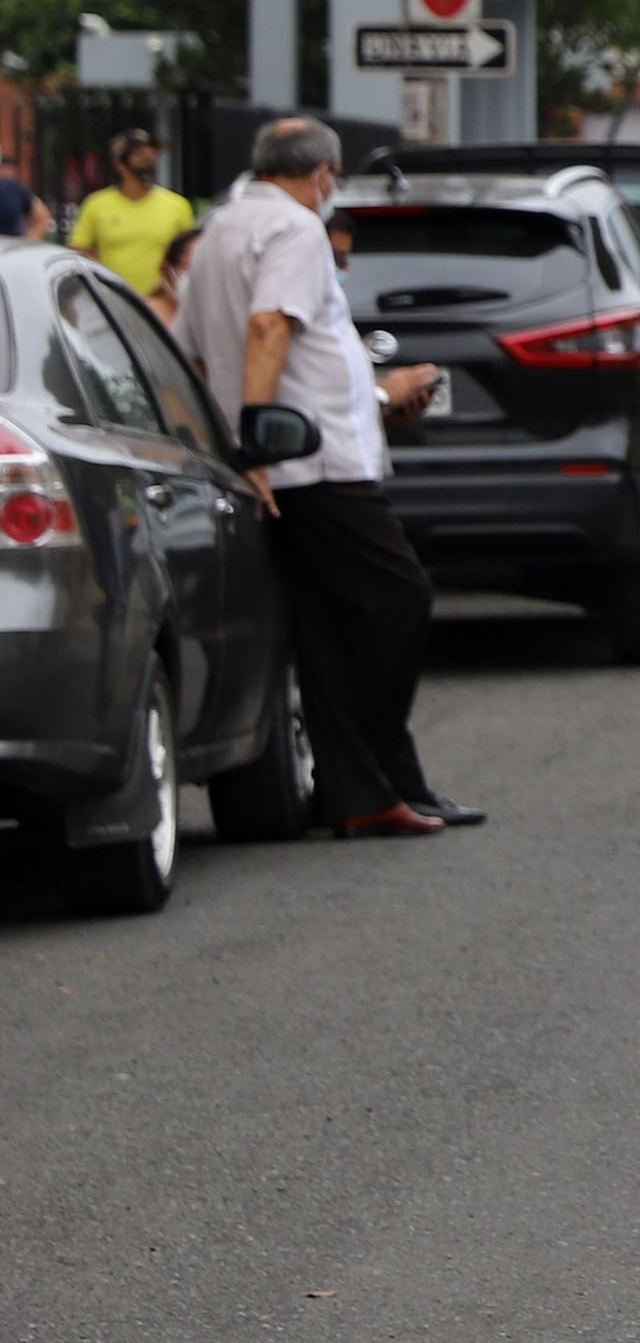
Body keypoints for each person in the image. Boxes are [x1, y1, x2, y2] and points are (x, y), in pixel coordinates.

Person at [178, 117, 458, 838]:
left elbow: (196, 353)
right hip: (311, 464)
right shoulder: (298, 231)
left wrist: (373, 399)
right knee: (399, 599)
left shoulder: (220, 230)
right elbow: (271, 326)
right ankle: (366, 770)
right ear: (324, 175)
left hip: (294, 452)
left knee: (329, 629)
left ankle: (369, 786)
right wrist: (259, 442)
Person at [71, 130, 191, 295]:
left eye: (151, 153)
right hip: (113, 303)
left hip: (164, 305)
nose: (148, 158)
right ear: (120, 165)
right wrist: (103, 278)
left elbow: (189, 255)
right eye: (139, 154)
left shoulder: (177, 205)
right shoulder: (96, 205)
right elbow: (79, 250)